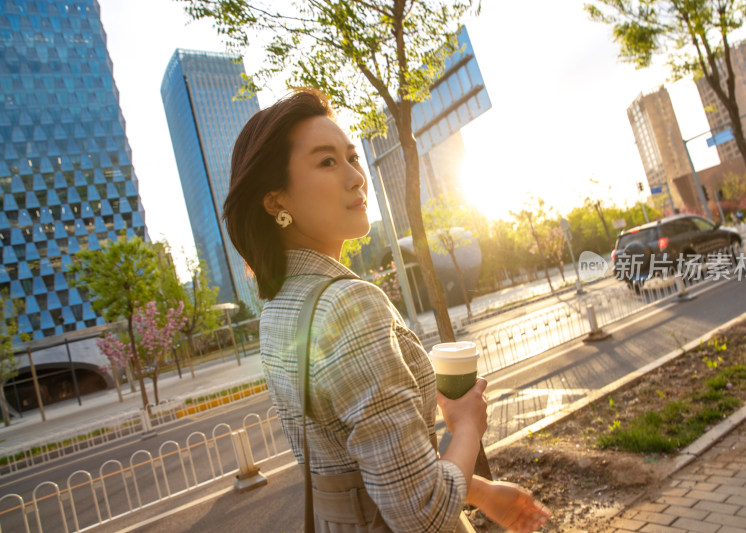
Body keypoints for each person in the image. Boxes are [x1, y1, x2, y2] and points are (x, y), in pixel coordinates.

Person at [224, 88, 551, 533]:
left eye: (351, 157)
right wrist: (466, 426)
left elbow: (378, 468)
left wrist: (483, 492)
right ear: (275, 200)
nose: (357, 177)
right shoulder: (349, 304)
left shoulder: (278, 308)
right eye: (326, 161)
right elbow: (424, 516)